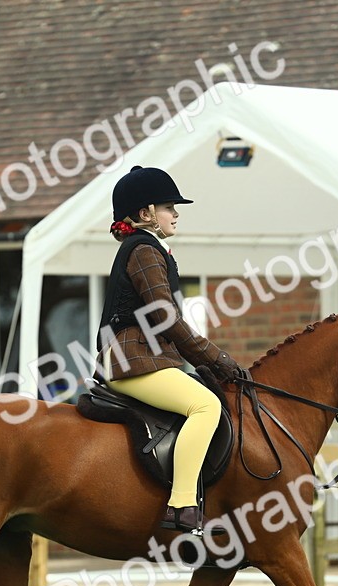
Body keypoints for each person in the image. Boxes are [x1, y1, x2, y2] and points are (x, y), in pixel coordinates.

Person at [97, 165, 242, 536]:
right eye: (168, 206)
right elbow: (165, 318)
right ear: (145, 214)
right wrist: (215, 358)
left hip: (144, 357)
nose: (176, 213)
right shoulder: (144, 250)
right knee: (205, 405)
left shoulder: (148, 247)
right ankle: (182, 506)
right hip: (133, 359)